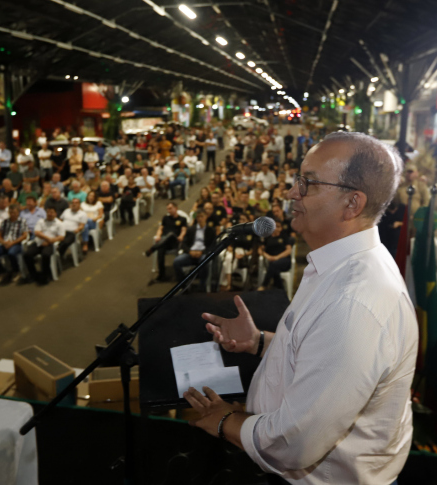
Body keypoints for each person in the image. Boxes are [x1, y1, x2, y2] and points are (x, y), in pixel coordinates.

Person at [184, 132, 417, 485]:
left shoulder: (354, 303)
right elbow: (322, 352)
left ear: (352, 203)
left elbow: (297, 442)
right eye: (297, 180)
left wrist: (222, 420)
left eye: (308, 183)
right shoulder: (338, 266)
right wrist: (261, 341)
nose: (293, 193)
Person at [173, 210, 215, 290]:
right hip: (191, 253)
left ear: (206, 217)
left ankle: (202, 285)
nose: (200, 219)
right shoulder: (191, 229)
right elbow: (184, 244)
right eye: (198, 217)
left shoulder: (210, 230)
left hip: (202, 253)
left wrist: (202, 252)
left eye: (202, 216)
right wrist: (189, 251)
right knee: (176, 262)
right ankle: (183, 284)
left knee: (204, 261)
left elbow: (212, 245)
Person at [145, 202, 188, 283]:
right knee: (160, 249)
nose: (169, 210)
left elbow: (184, 230)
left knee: (171, 234)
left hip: (175, 242)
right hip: (164, 242)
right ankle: (162, 274)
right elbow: (160, 229)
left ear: (176, 208)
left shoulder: (182, 219)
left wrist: (181, 236)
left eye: (170, 208)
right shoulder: (165, 218)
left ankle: (152, 249)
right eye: (168, 209)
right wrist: (158, 235)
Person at [0, 203, 28, 284]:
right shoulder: (5, 222)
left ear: (18, 213)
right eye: (10, 212)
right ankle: (2, 271)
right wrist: (4, 242)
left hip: (16, 243)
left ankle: (16, 271)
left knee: (11, 253)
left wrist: (12, 243)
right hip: (4, 244)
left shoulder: (22, 221)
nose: (12, 214)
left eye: (14, 213)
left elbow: (24, 236)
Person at [23, 206, 65, 285]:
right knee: (27, 254)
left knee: (45, 255)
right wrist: (47, 238)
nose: (49, 214)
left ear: (55, 214)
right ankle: (33, 274)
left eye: (51, 212)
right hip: (39, 242)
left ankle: (45, 274)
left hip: (50, 244)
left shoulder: (59, 223)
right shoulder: (41, 221)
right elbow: (37, 232)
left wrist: (50, 241)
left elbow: (62, 237)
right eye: (48, 212)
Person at [257, 223, 294, 291]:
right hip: (271, 260)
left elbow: (288, 250)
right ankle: (280, 290)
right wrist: (267, 256)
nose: (276, 228)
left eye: (278, 226)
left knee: (274, 264)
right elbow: (260, 250)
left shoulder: (284, 236)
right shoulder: (267, 237)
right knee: (275, 269)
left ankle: (264, 285)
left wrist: (277, 257)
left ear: (281, 228)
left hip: (284, 261)